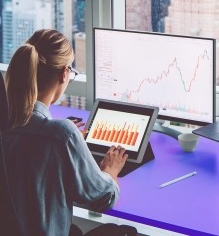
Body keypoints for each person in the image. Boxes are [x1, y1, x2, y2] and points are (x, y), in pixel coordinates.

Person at [0, 29, 133, 236]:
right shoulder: (62, 134)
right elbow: (102, 199)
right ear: (64, 73)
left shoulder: (9, 123)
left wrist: (67, 144)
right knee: (124, 232)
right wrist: (111, 170)